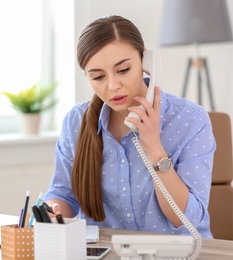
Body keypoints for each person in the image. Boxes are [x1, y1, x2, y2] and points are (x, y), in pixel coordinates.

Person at [43, 15, 215, 238]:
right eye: (98, 77)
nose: (113, 86)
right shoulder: (76, 122)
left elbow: (185, 219)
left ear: (146, 62)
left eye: (123, 70)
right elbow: (63, 194)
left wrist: (153, 147)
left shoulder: (191, 120)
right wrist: (53, 210)